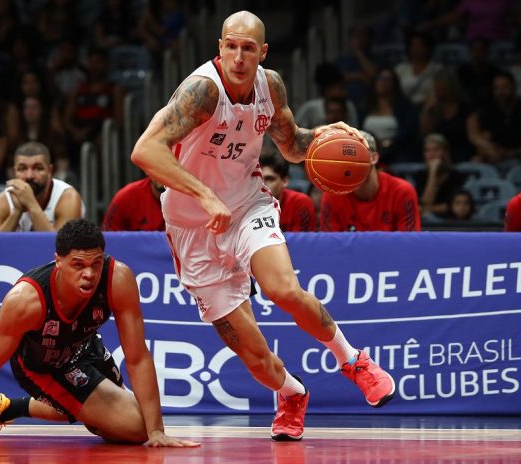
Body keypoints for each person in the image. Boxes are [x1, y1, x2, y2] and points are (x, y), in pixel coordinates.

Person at [130, 11, 395, 442]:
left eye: (248, 48)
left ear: (262, 52)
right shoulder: (201, 92)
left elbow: (292, 147)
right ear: (219, 47)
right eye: (231, 46)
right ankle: (291, 393)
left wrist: (331, 137)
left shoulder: (269, 86)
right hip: (192, 225)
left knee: (283, 289)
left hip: (248, 205)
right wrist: (204, 194)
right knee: (253, 355)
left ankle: (354, 361)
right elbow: (145, 151)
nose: (238, 56)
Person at [0, 218, 199, 449]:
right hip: (42, 367)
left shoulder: (118, 279)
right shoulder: (25, 301)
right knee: (134, 429)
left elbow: (137, 357)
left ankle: (5, 407)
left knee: (143, 425)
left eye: (95, 264)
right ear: (59, 261)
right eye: (78, 265)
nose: (89, 274)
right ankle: (12, 408)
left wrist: (158, 432)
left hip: (84, 347)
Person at [320, 131, 421, 232]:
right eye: (344, 157)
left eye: (357, 153)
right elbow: (329, 245)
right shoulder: (333, 194)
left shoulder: (402, 191)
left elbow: (409, 244)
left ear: (373, 158)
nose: (349, 162)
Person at [0, 142, 84, 232]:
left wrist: (31, 203)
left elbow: (60, 247)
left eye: (38, 168)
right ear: (14, 172)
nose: (29, 175)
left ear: (50, 171)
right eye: (22, 168)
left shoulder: (68, 198)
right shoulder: (1, 201)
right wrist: (16, 212)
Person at [259, 149, 317, 232]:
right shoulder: (244, 204)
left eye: (269, 179)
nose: (262, 185)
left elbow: (303, 243)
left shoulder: (300, 202)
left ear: (285, 181)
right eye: (258, 179)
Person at [413, 133, 467, 219]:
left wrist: (426, 209)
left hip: (449, 222)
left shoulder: (455, 176)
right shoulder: (420, 175)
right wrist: (432, 173)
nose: (431, 154)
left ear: (445, 153)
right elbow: (425, 203)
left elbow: (453, 206)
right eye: (427, 150)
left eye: (436, 150)